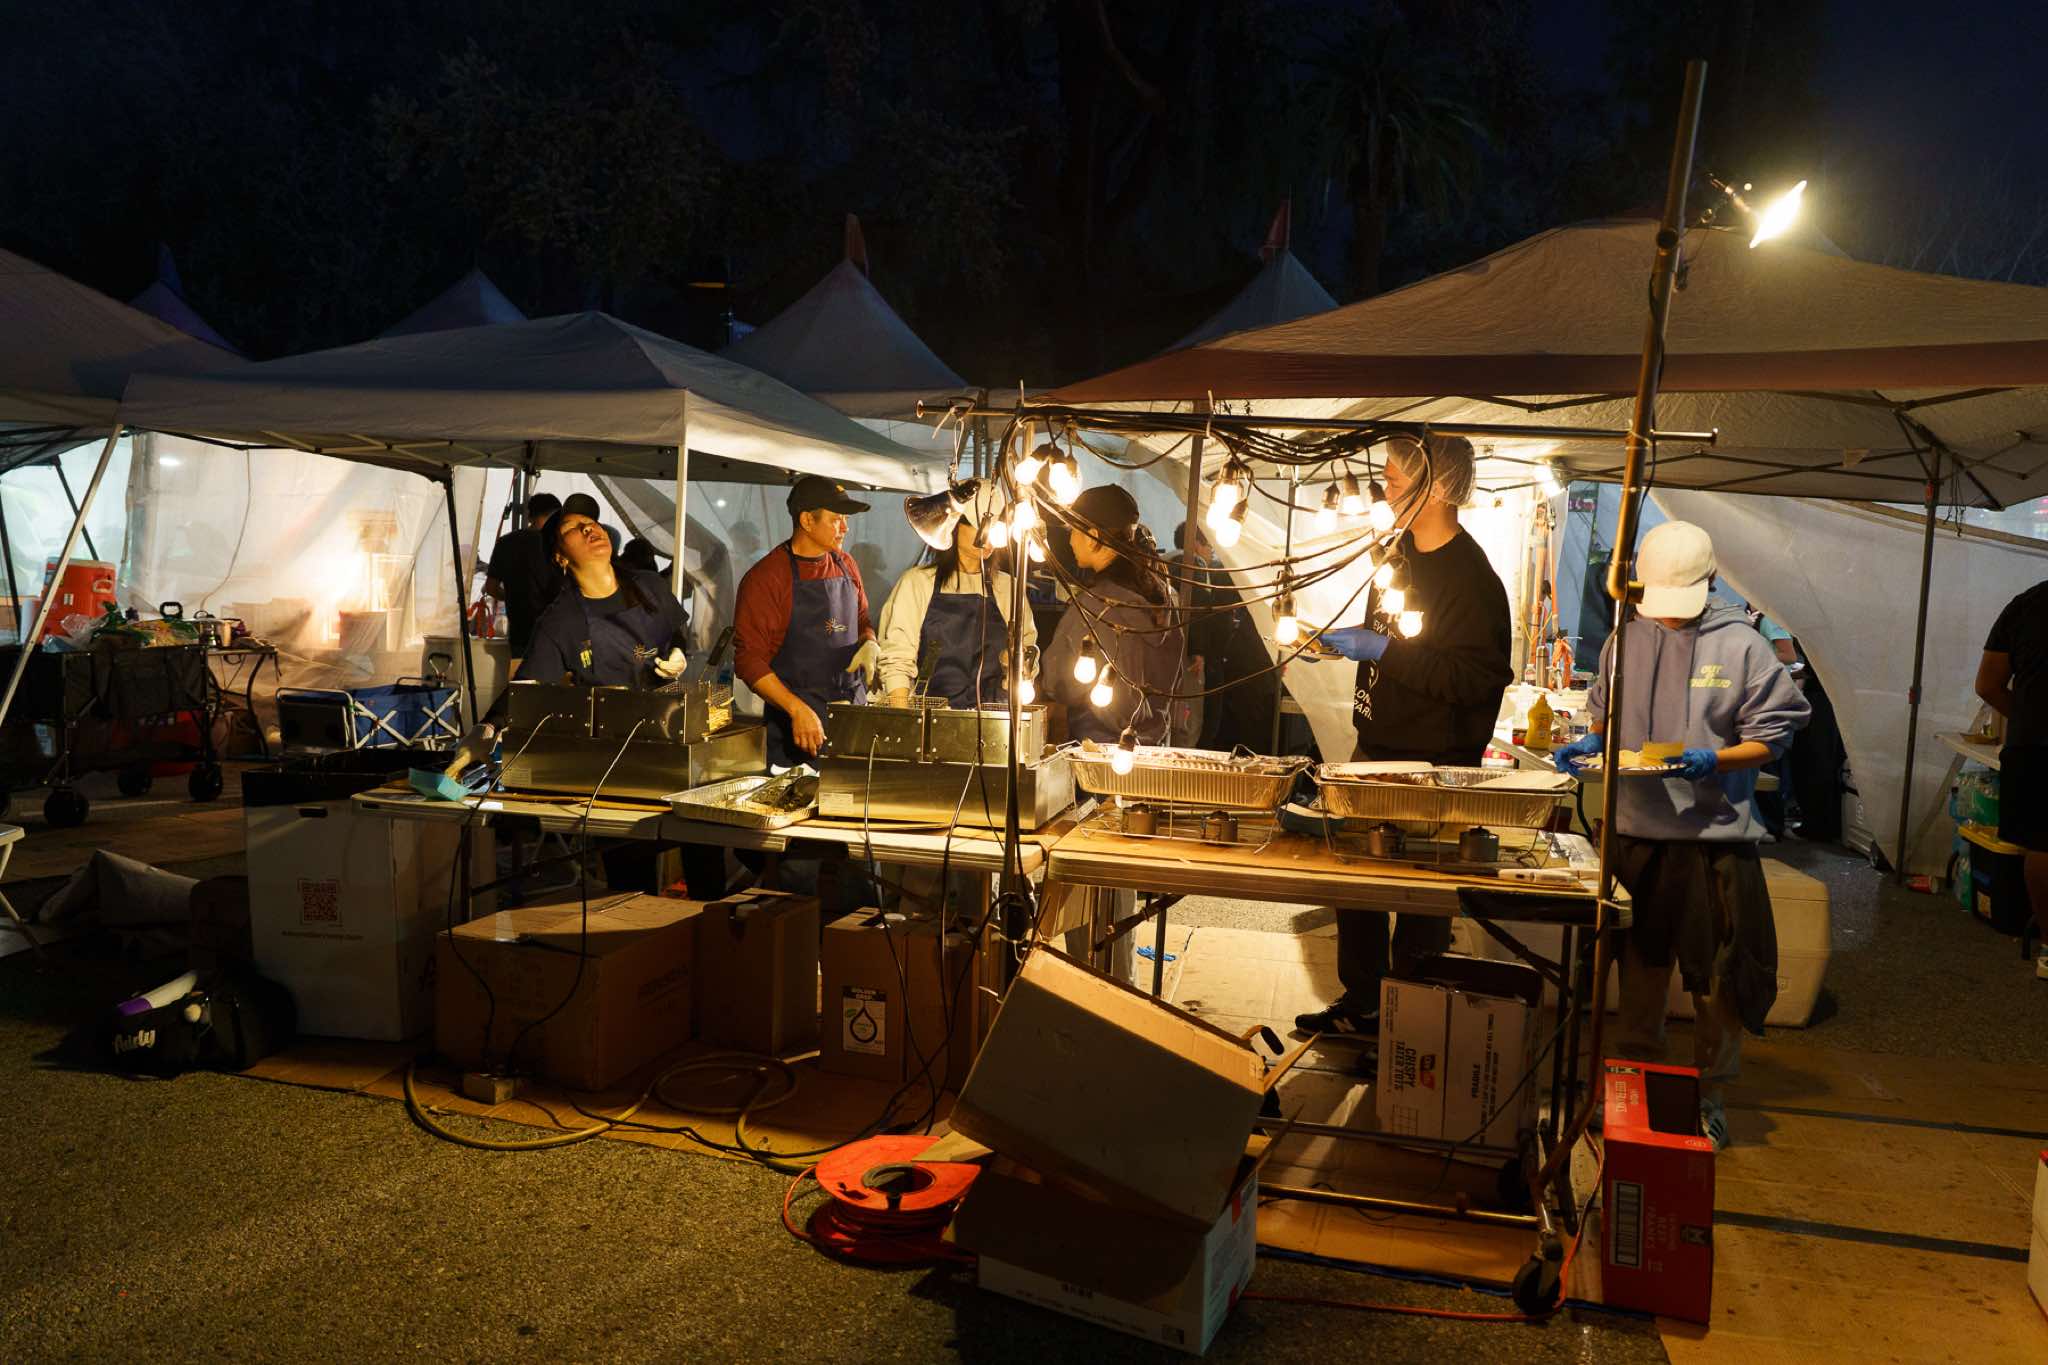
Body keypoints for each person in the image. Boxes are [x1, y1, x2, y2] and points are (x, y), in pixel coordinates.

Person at [1551, 520, 1811, 1149]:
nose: (1669, 616)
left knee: (1718, 982)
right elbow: (1606, 716)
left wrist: (1714, 760)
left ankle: (1709, 1097)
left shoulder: (1742, 646)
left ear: (1711, 581)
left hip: (1713, 839)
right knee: (1639, 972)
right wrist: (1592, 741)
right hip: (1636, 834)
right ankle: (1634, 1090)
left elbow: (1773, 736)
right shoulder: (1626, 640)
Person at [1294, 434, 1512, 1045]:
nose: (1384, 491)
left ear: (1436, 488)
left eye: (1392, 480)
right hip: (1374, 748)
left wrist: (1384, 651)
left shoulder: (1471, 579)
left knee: (1417, 897)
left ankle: (1410, 1026)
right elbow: (1390, 642)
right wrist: (1342, 644)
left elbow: (1475, 679)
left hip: (1433, 765)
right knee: (1356, 882)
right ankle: (1364, 1006)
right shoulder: (1398, 556)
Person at [509, 505, 694, 895]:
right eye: (574, 529)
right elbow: (526, 690)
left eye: (591, 523)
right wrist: (484, 730)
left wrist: (680, 653)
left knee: (703, 847)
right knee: (631, 880)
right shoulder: (562, 620)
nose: (589, 529)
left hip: (673, 742)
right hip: (615, 763)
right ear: (559, 557)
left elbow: (678, 631)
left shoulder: (649, 585)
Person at [733, 475, 879, 768]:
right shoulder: (767, 578)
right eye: (836, 519)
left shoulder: (846, 564)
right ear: (807, 521)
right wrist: (796, 709)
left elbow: (862, 619)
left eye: (846, 519)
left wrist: (870, 642)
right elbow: (749, 661)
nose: (845, 528)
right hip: (796, 731)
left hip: (851, 719)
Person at [1041, 484, 1185, 746]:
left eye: (1073, 531)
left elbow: (1058, 682)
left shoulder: (1095, 605)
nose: (1071, 540)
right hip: (1151, 746)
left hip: (1096, 747)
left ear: (1093, 537)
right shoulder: (1161, 598)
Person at [876, 484, 1036, 709]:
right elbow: (897, 659)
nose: (989, 537)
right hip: (928, 718)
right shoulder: (918, 582)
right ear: (954, 525)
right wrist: (902, 719)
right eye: (981, 526)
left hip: (995, 718)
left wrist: (1018, 669)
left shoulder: (1008, 587)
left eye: (996, 527)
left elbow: (1026, 654)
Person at [1975, 577, 2048, 976]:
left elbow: (1987, 684)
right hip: (2033, 741)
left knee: (2041, 844)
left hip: (2032, 745)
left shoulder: (2026, 604)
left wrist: (2025, 718)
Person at [1170, 523, 1276, 754]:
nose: (1212, 551)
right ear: (1196, 544)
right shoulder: (1197, 567)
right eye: (1209, 545)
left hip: (1181, 657)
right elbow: (1199, 607)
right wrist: (1198, 650)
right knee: (1202, 725)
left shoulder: (1168, 565)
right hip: (1204, 661)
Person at [482, 492, 562, 658]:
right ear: (557, 515)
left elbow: (491, 588)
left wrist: (513, 596)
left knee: (522, 673)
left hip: (520, 632)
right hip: (555, 631)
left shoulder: (506, 542)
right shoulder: (559, 543)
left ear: (530, 515)